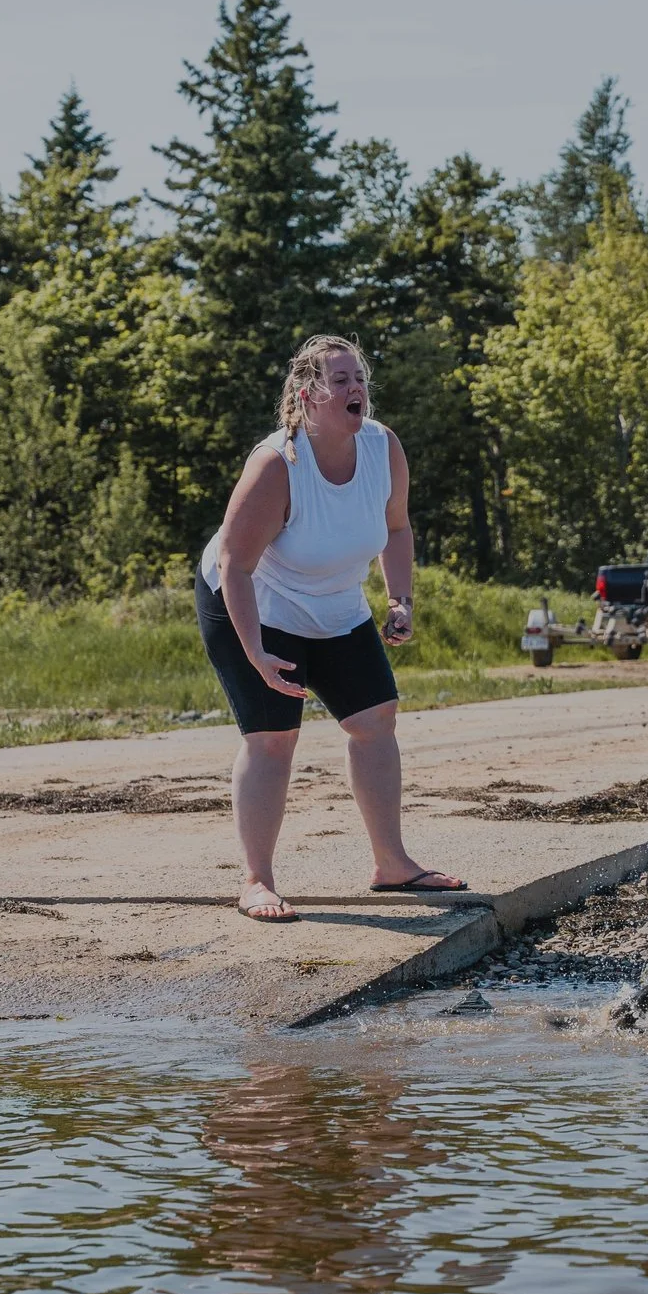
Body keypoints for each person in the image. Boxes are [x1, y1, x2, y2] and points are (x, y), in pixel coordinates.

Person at [195, 335, 466, 921]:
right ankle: (257, 880)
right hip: (255, 604)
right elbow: (233, 566)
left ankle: (392, 864)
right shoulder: (278, 465)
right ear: (307, 395)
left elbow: (396, 530)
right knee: (272, 738)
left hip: (336, 603)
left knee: (374, 720)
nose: (355, 390)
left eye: (359, 378)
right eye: (339, 380)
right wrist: (257, 654)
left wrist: (400, 599)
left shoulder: (382, 446)